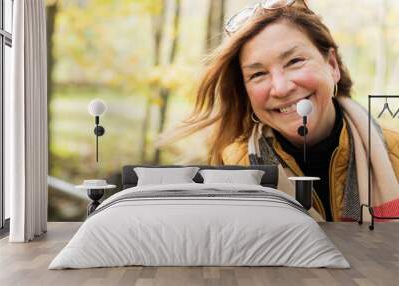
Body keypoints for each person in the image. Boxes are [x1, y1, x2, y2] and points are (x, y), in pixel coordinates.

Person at [159, 0, 399, 222]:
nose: (281, 88)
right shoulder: (229, 169)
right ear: (246, 92)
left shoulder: (394, 153)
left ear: (332, 65)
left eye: (294, 61)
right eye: (258, 74)